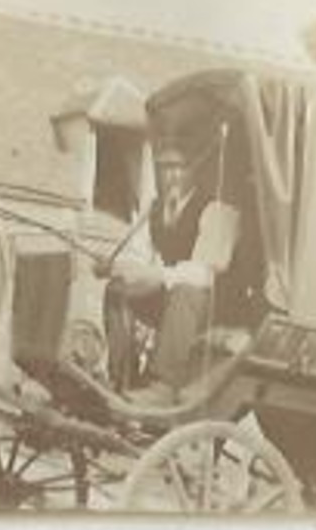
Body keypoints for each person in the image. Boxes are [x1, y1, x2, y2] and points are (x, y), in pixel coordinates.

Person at [101, 152, 241, 407]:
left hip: (215, 304)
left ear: (194, 170)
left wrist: (159, 275)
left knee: (187, 290)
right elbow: (142, 255)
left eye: (180, 167)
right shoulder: (157, 209)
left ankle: (165, 385)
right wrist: (119, 269)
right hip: (173, 295)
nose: (172, 176)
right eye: (165, 168)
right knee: (116, 290)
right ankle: (123, 377)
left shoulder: (217, 209)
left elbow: (206, 273)